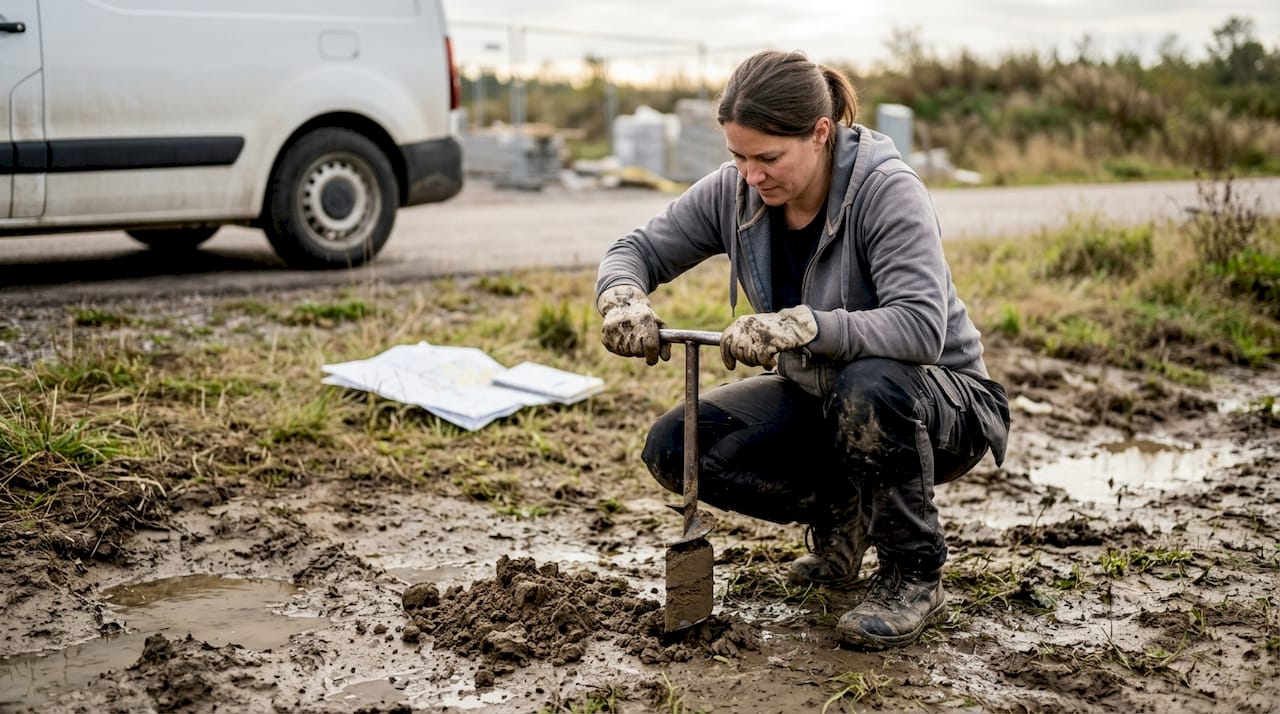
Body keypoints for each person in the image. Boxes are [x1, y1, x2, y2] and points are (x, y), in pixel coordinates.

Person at [594, 49, 1009, 650]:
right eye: (737, 156)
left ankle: (913, 575)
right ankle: (845, 514)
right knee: (676, 447)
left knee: (867, 382)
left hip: (941, 406)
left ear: (820, 134)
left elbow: (921, 328)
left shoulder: (885, 190)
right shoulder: (735, 193)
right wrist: (622, 295)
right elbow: (636, 248)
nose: (751, 175)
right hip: (824, 399)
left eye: (767, 158)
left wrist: (806, 326)